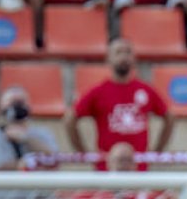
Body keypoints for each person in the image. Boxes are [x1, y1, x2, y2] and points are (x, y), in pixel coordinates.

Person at [66, 38, 174, 171]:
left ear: (134, 58)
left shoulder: (145, 90)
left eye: (127, 52)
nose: (123, 57)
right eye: (118, 52)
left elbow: (169, 117)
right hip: (107, 171)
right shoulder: (98, 91)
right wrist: (84, 154)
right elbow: (70, 118)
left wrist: (156, 152)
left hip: (139, 171)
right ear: (108, 58)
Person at [0, 86, 59, 171]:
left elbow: (54, 160)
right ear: (1, 107)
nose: (17, 107)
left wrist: (25, 138)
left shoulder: (42, 133)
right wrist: (24, 164)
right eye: (12, 102)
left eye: (21, 102)